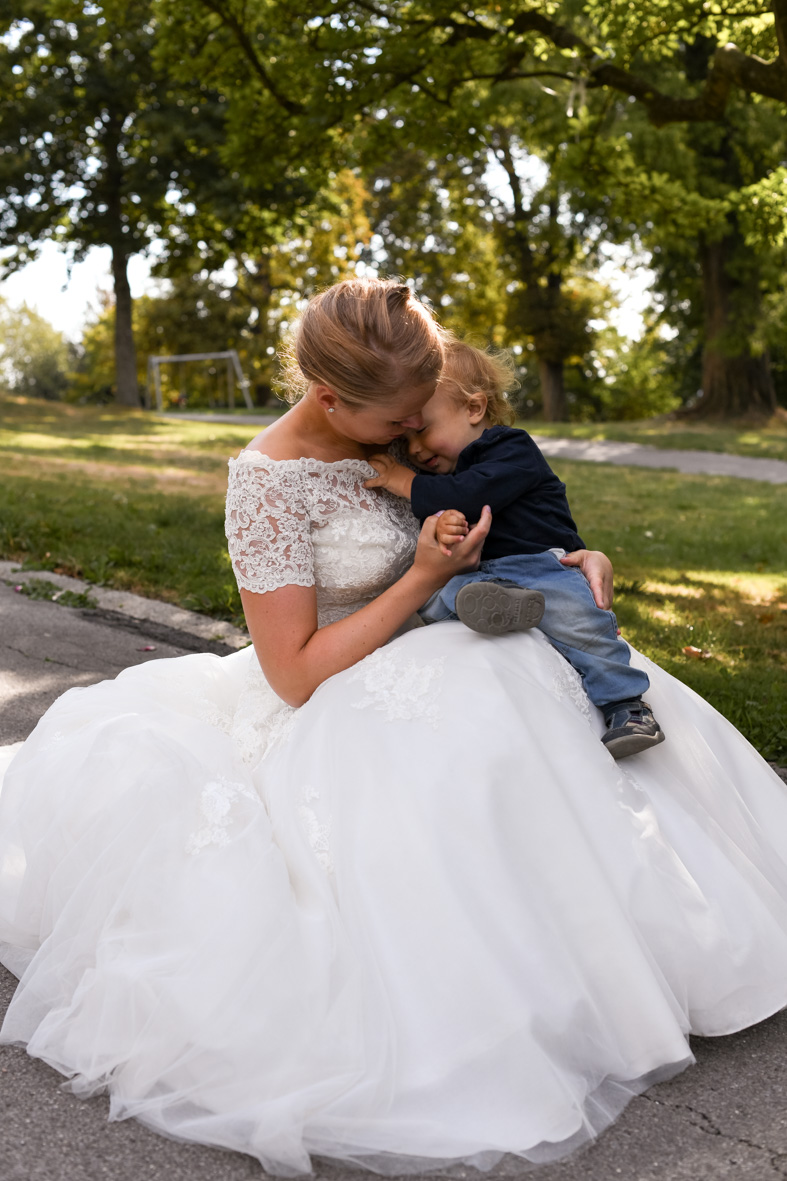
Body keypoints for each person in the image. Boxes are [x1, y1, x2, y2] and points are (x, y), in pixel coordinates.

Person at [2, 277, 787, 1179]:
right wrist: (418, 582)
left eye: (424, 414)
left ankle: (657, 956)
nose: (415, 435)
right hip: (337, 688)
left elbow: (501, 514)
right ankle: (533, 998)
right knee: (470, 732)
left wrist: (573, 556)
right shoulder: (267, 483)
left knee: (537, 691)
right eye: (398, 421)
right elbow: (291, 673)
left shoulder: (414, 428)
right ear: (332, 398)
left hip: (464, 637)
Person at [364, 338, 664, 759]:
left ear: (474, 408)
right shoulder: (446, 471)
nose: (413, 449)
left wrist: (402, 480)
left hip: (539, 566)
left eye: (423, 430)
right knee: (434, 598)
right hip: (480, 576)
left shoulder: (510, 448)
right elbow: (450, 513)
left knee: (581, 622)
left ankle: (627, 705)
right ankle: (501, 608)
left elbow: (471, 494)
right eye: (407, 437)